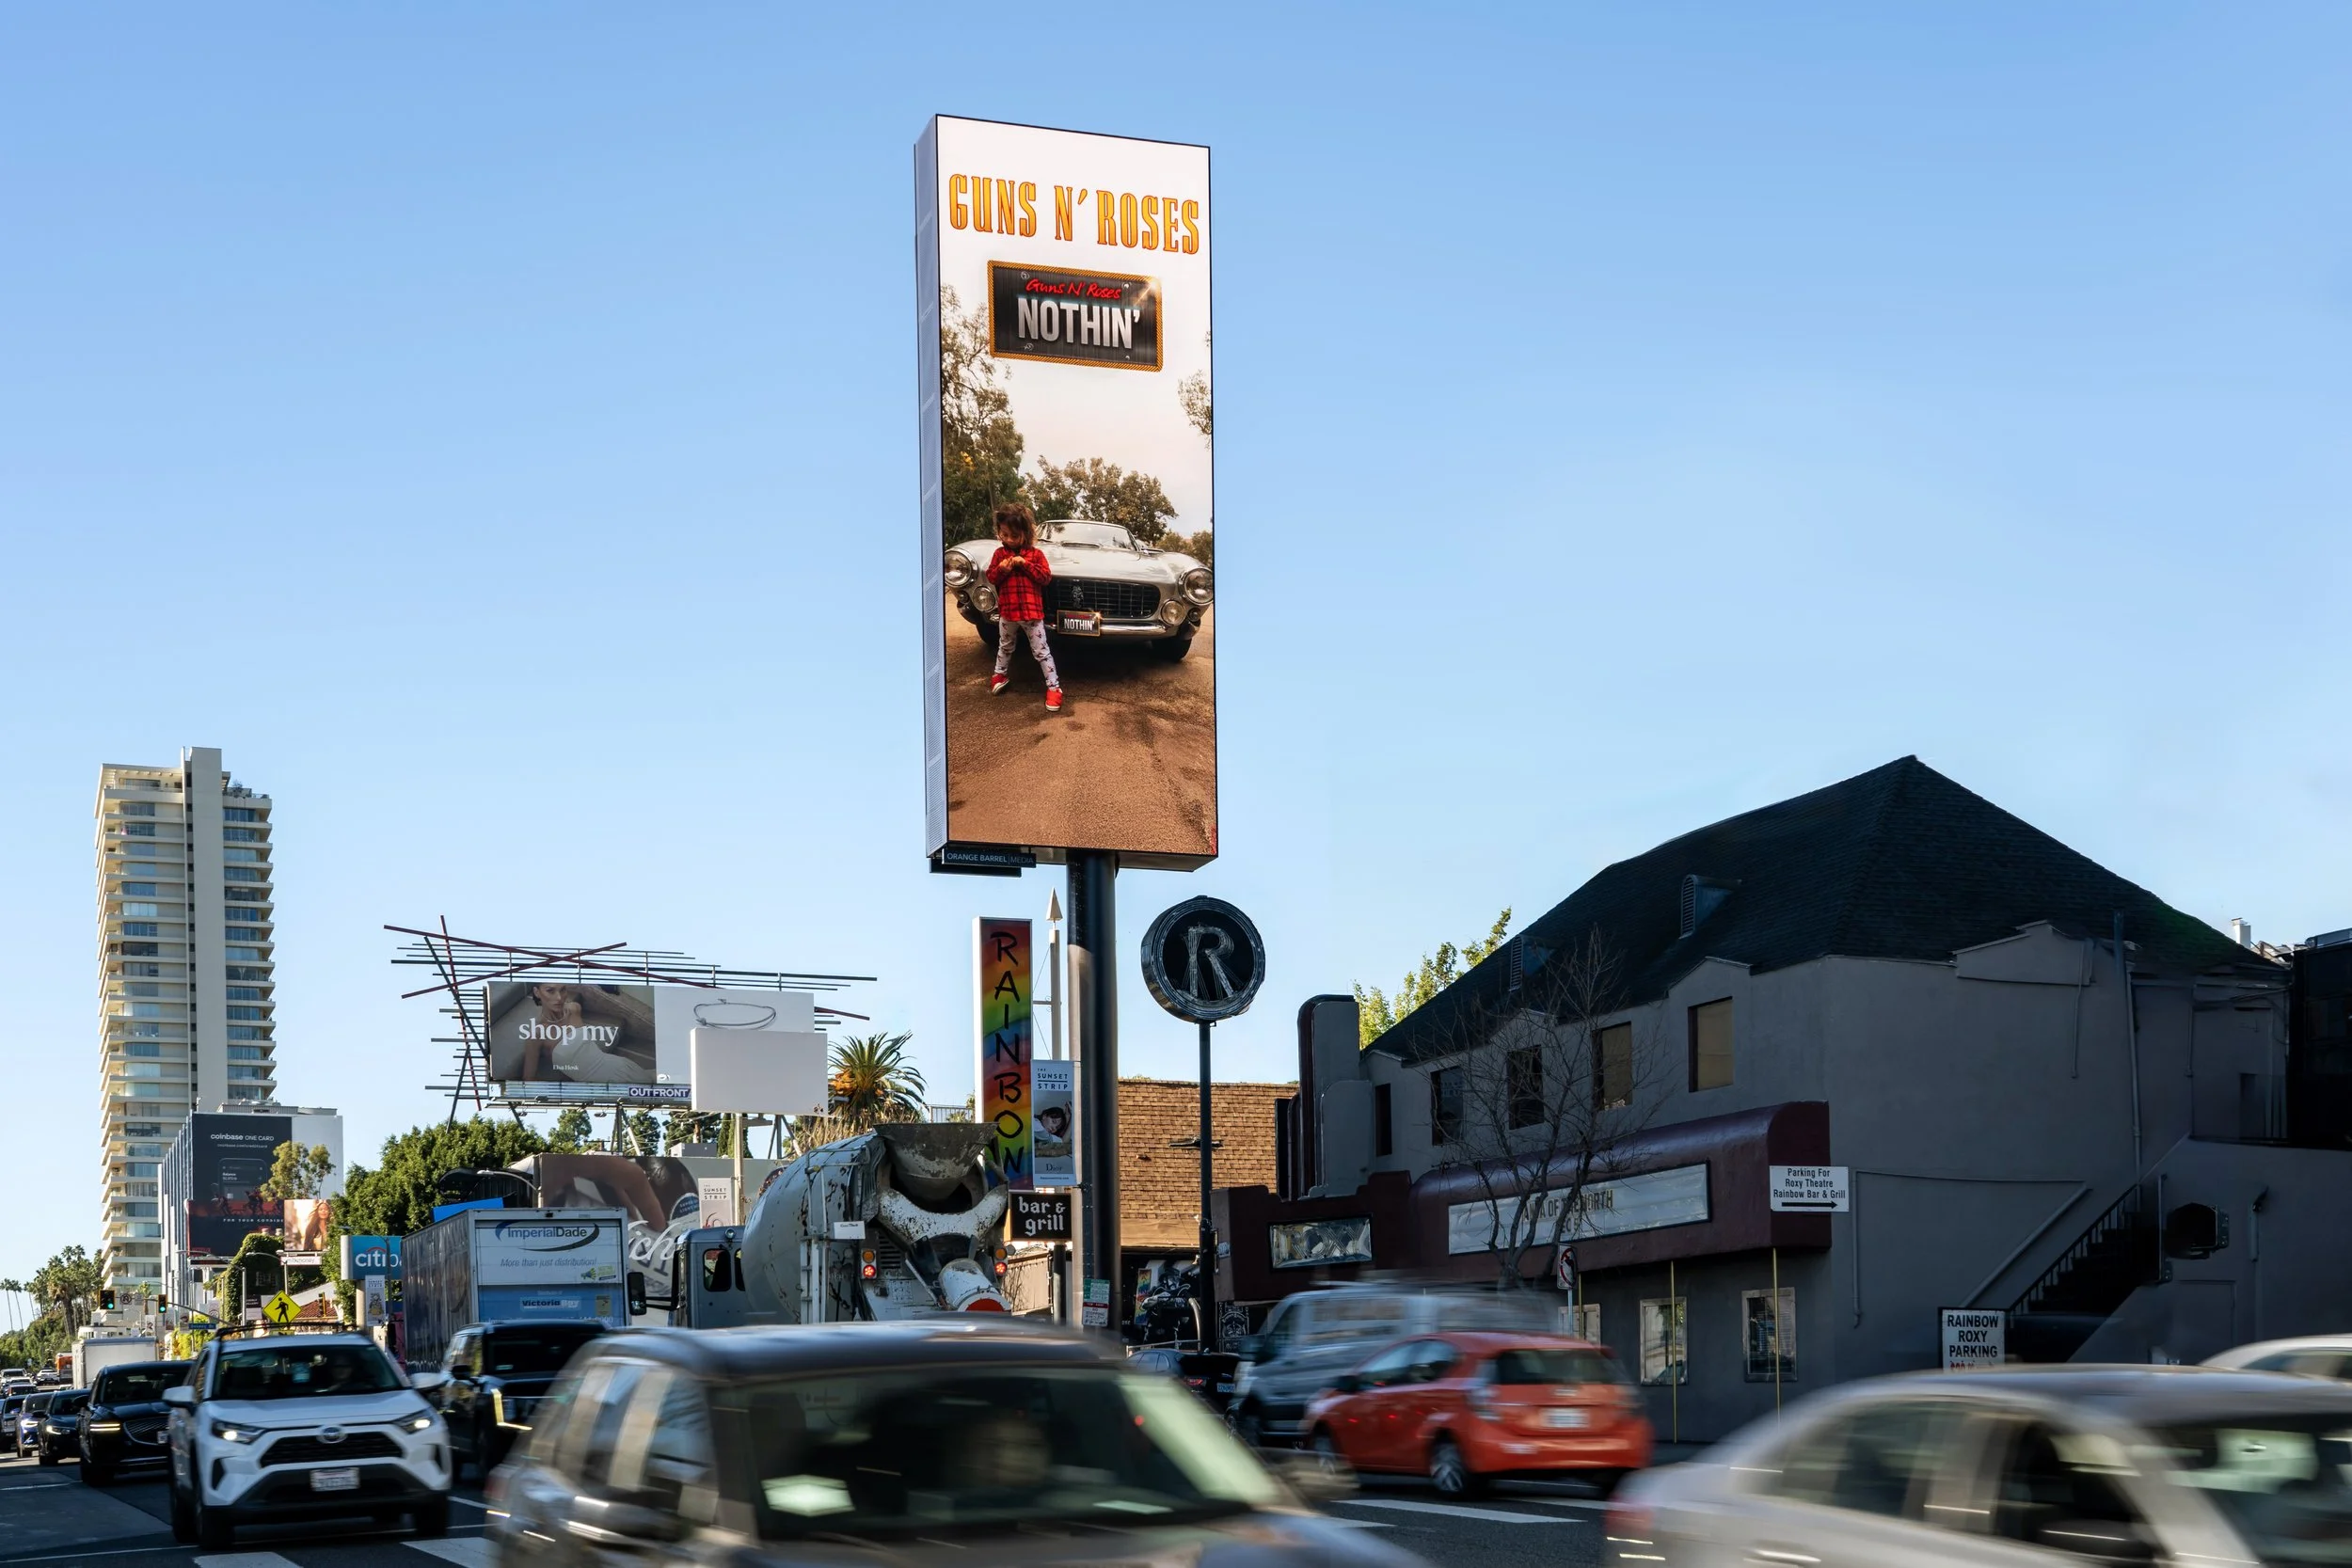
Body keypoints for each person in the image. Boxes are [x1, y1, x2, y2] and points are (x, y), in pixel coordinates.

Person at [983, 502, 1063, 713]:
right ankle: (999, 675)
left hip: (1032, 614)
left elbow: (1045, 578)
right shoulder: (999, 555)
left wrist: (1025, 564)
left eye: (1015, 535)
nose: (1009, 539)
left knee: (1041, 652)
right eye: (1005, 534)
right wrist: (1001, 569)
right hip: (1008, 613)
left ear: (1025, 534)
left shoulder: (1035, 555)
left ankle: (1054, 687)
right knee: (1005, 646)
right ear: (999, 532)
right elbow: (991, 577)